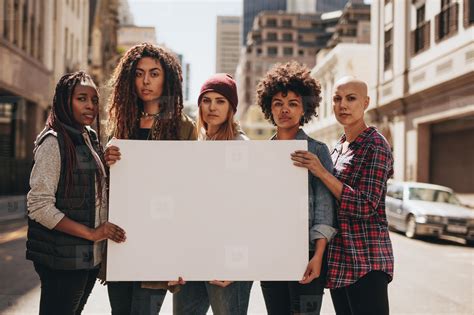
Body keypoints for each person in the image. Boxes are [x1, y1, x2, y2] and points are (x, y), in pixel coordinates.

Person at [104, 43, 196, 314]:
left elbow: (190, 193)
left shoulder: (182, 126)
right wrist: (106, 162)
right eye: (139, 73)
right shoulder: (121, 124)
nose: (145, 81)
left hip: (159, 243)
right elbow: (109, 186)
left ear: (166, 79)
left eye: (154, 73)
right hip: (120, 241)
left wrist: (180, 257)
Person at [291, 76, 394, 315]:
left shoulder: (376, 145)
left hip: (367, 262)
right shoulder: (338, 147)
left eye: (351, 98)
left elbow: (365, 205)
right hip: (340, 262)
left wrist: (321, 171)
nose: (342, 105)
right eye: (337, 99)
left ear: (366, 102)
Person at [26, 71, 126, 315]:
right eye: (82, 98)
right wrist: (92, 234)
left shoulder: (88, 137)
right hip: (62, 260)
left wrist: (105, 163)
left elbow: (87, 187)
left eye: (94, 100)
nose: (90, 105)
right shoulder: (54, 142)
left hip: (86, 259)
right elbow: (39, 206)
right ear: (64, 101)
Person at [256, 61, 336, 314]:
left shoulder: (317, 150)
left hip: (308, 255)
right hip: (271, 254)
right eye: (278, 103)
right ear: (269, 108)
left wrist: (318, 256)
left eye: (293, 103)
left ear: (305, 109)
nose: (285, 110)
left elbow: (325, 207)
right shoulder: (261, 154)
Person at [172, 73, 252, 314]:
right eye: (206, 100)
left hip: (227, 258)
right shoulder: (192, 145)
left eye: (220, 100)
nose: (212, 107)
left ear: (231, 108)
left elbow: (250, 211)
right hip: (192, 253)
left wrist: (237, 265)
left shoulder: (242, 147)